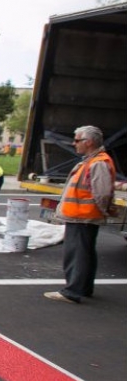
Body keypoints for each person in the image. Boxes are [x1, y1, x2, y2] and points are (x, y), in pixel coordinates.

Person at [44, 126, 116, 304]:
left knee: (77, 254)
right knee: (84, 253)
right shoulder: (91, 161)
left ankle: (73, 291)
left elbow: (102, 193)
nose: (73, 143)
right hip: (82, 216)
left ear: (88, 142)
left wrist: (101, 211)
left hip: (83, 216)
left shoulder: (97, 163)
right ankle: (83, 288)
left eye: (77, 140)